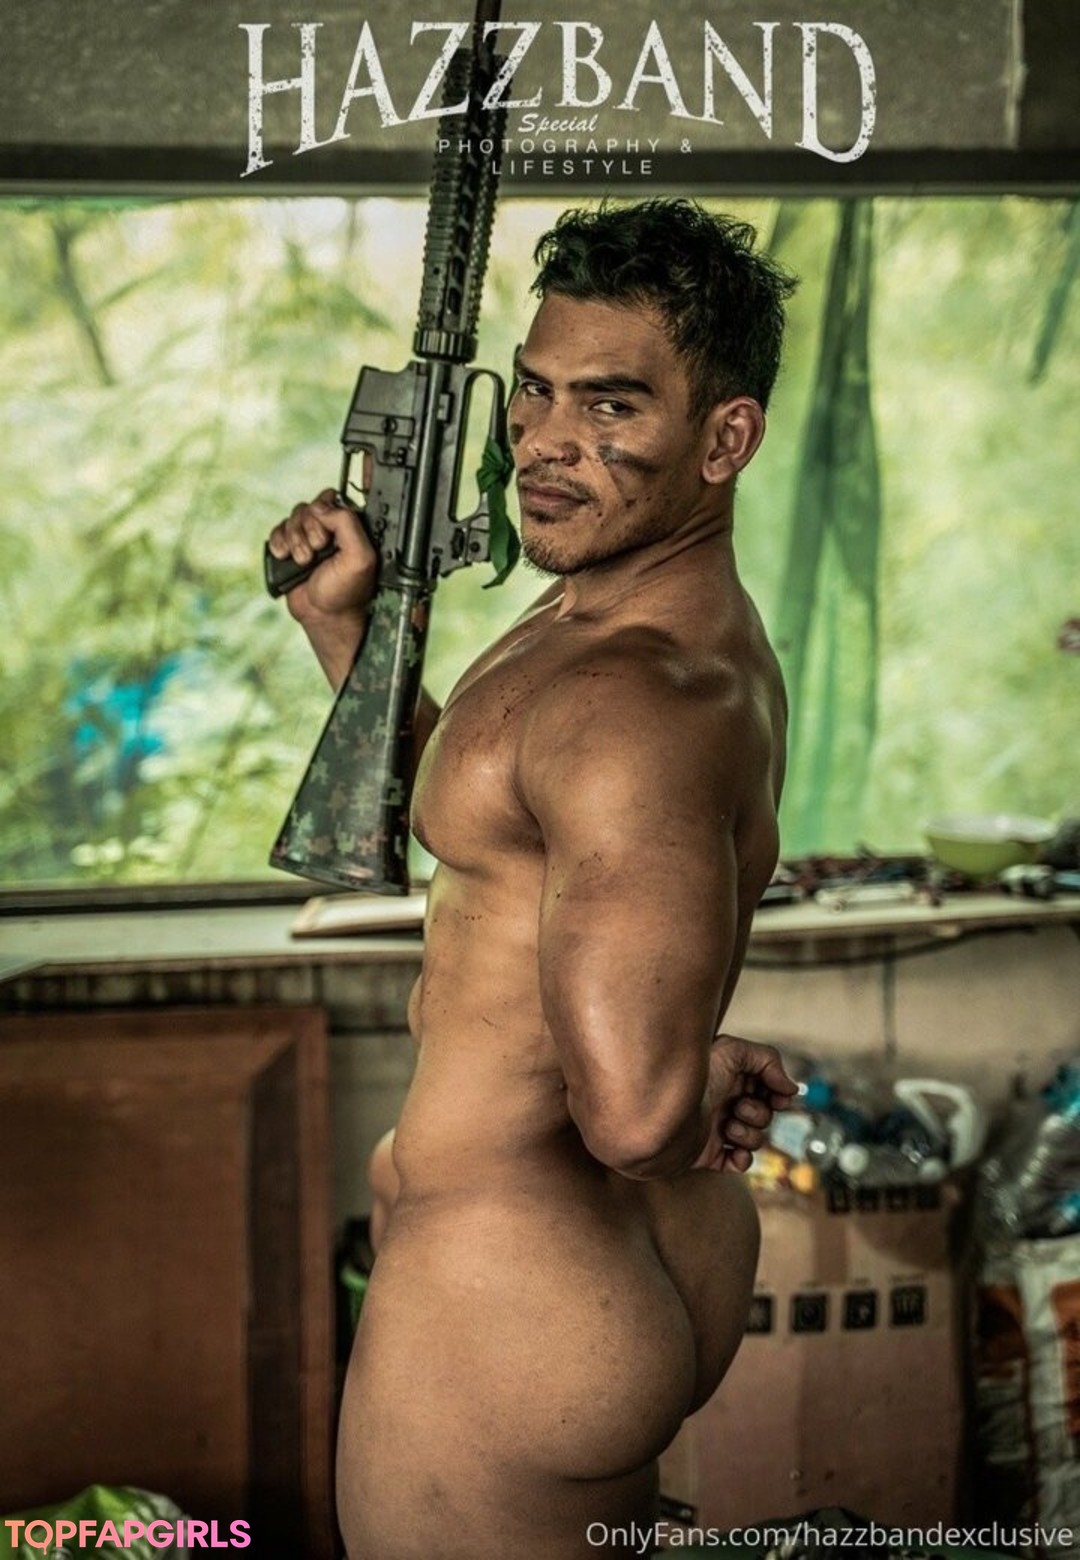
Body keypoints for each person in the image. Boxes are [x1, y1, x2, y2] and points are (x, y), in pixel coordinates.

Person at [268, 198, 799, 1560]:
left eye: (611, 405)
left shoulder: (632, 697)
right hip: (563, 1272)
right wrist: (345, 634)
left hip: (515, 1296)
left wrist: (680, 1076)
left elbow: (631, 1117)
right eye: (537, 392)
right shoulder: (608, 622)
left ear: (725, 438)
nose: (545, 445)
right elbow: (508, 818)